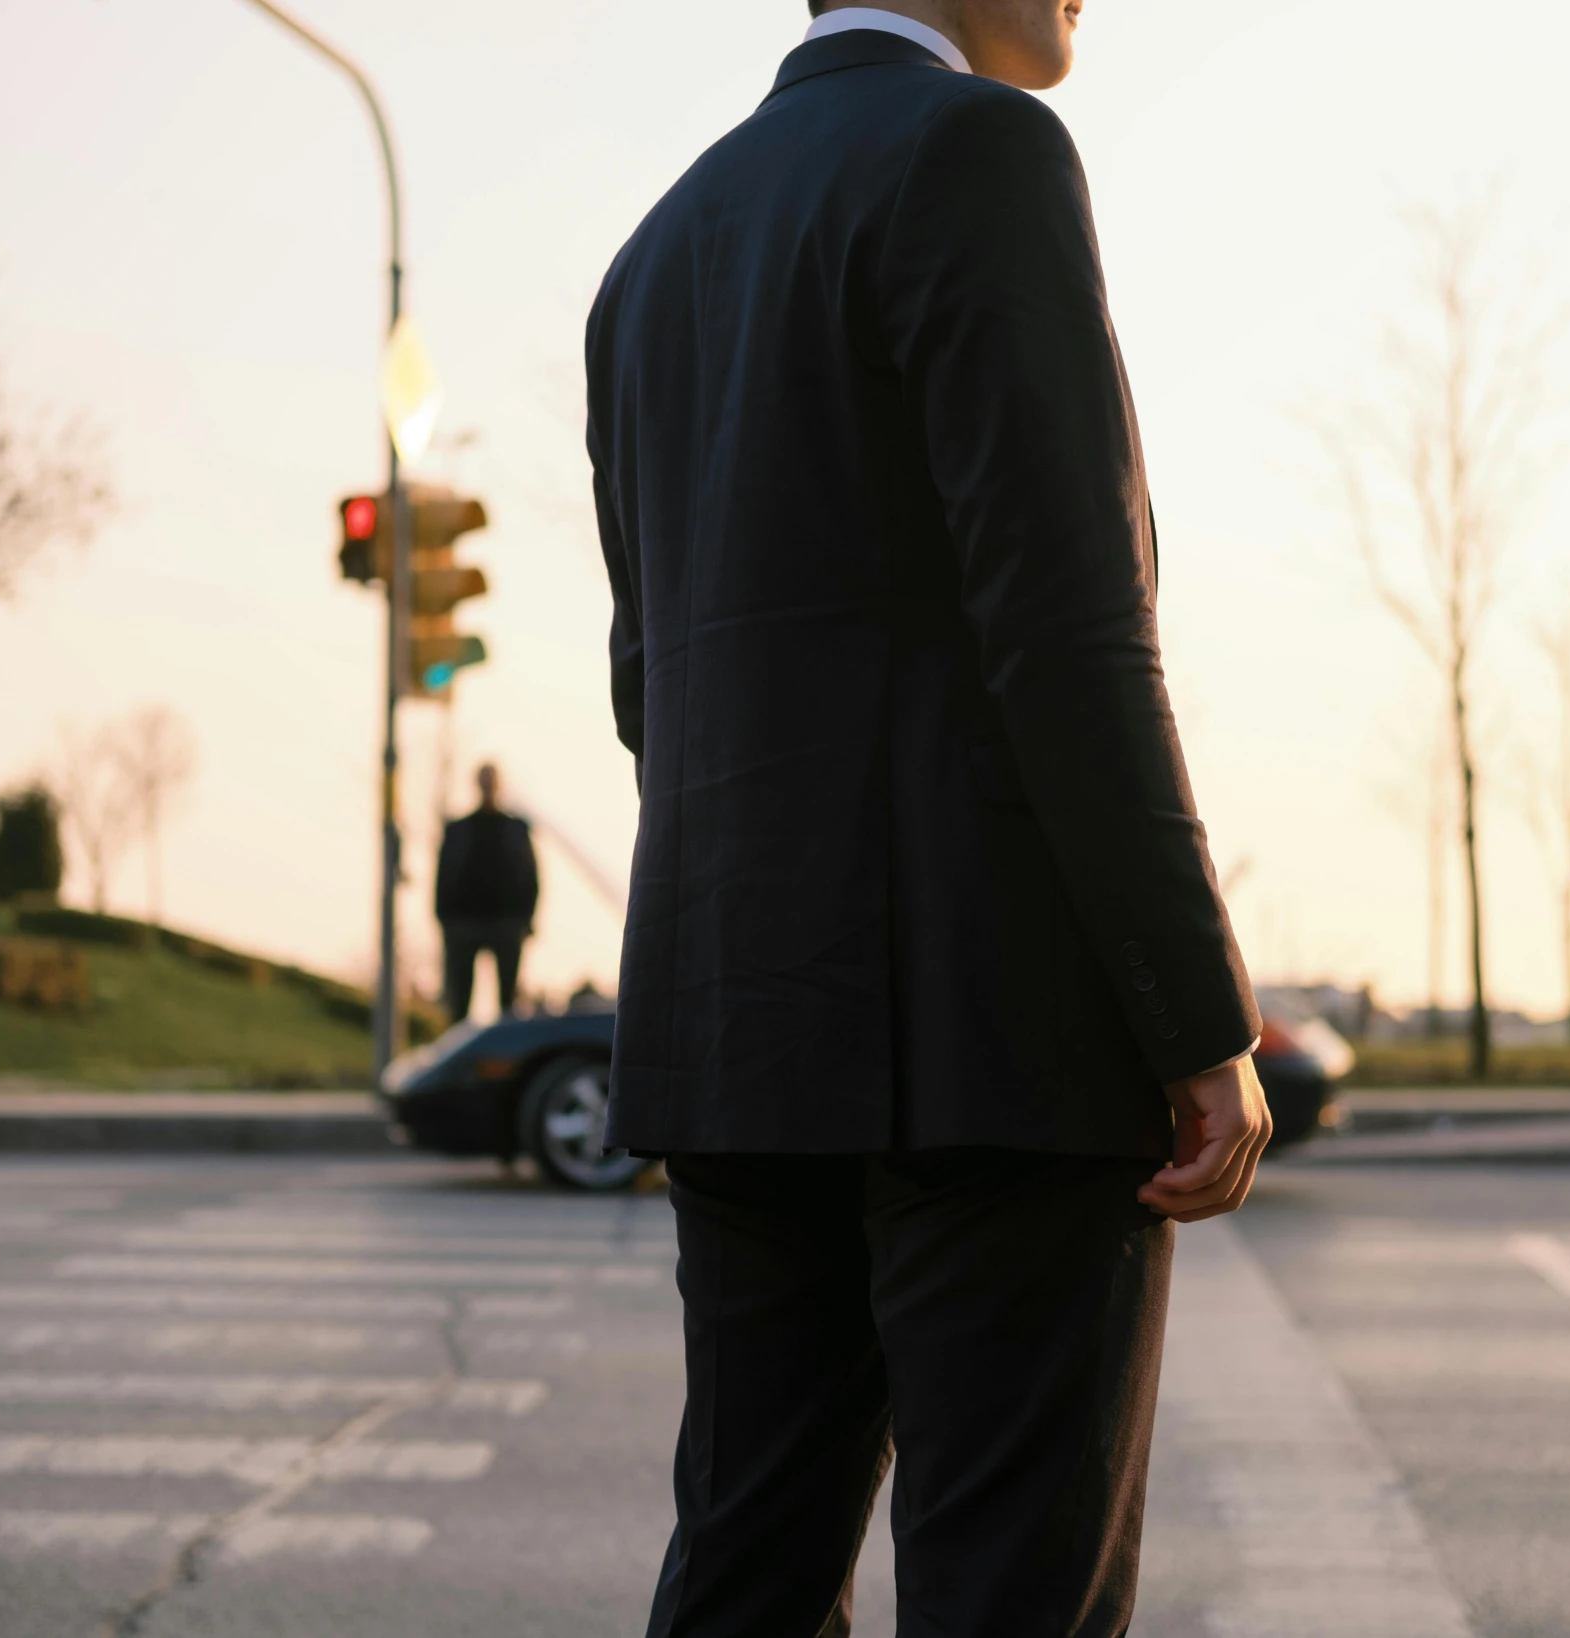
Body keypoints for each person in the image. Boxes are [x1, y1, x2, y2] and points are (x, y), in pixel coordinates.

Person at [585, 3, 1271, 1632]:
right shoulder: (979, 150)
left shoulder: (654, 250)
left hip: (735, 1025)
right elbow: (1069, 630)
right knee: (1008, 1588)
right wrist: (1196, 1017)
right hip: (994, 1034)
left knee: (746, 1565)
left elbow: (647, 686)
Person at [433, 763, 540, 1023]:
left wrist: (526, 921)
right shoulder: (457, 830)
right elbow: (443, 876)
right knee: (459, 1004)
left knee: (508, 1007)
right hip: (464, 925)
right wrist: (445, 921)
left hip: (506, 924)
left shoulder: (516, 829)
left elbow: (532, 877)